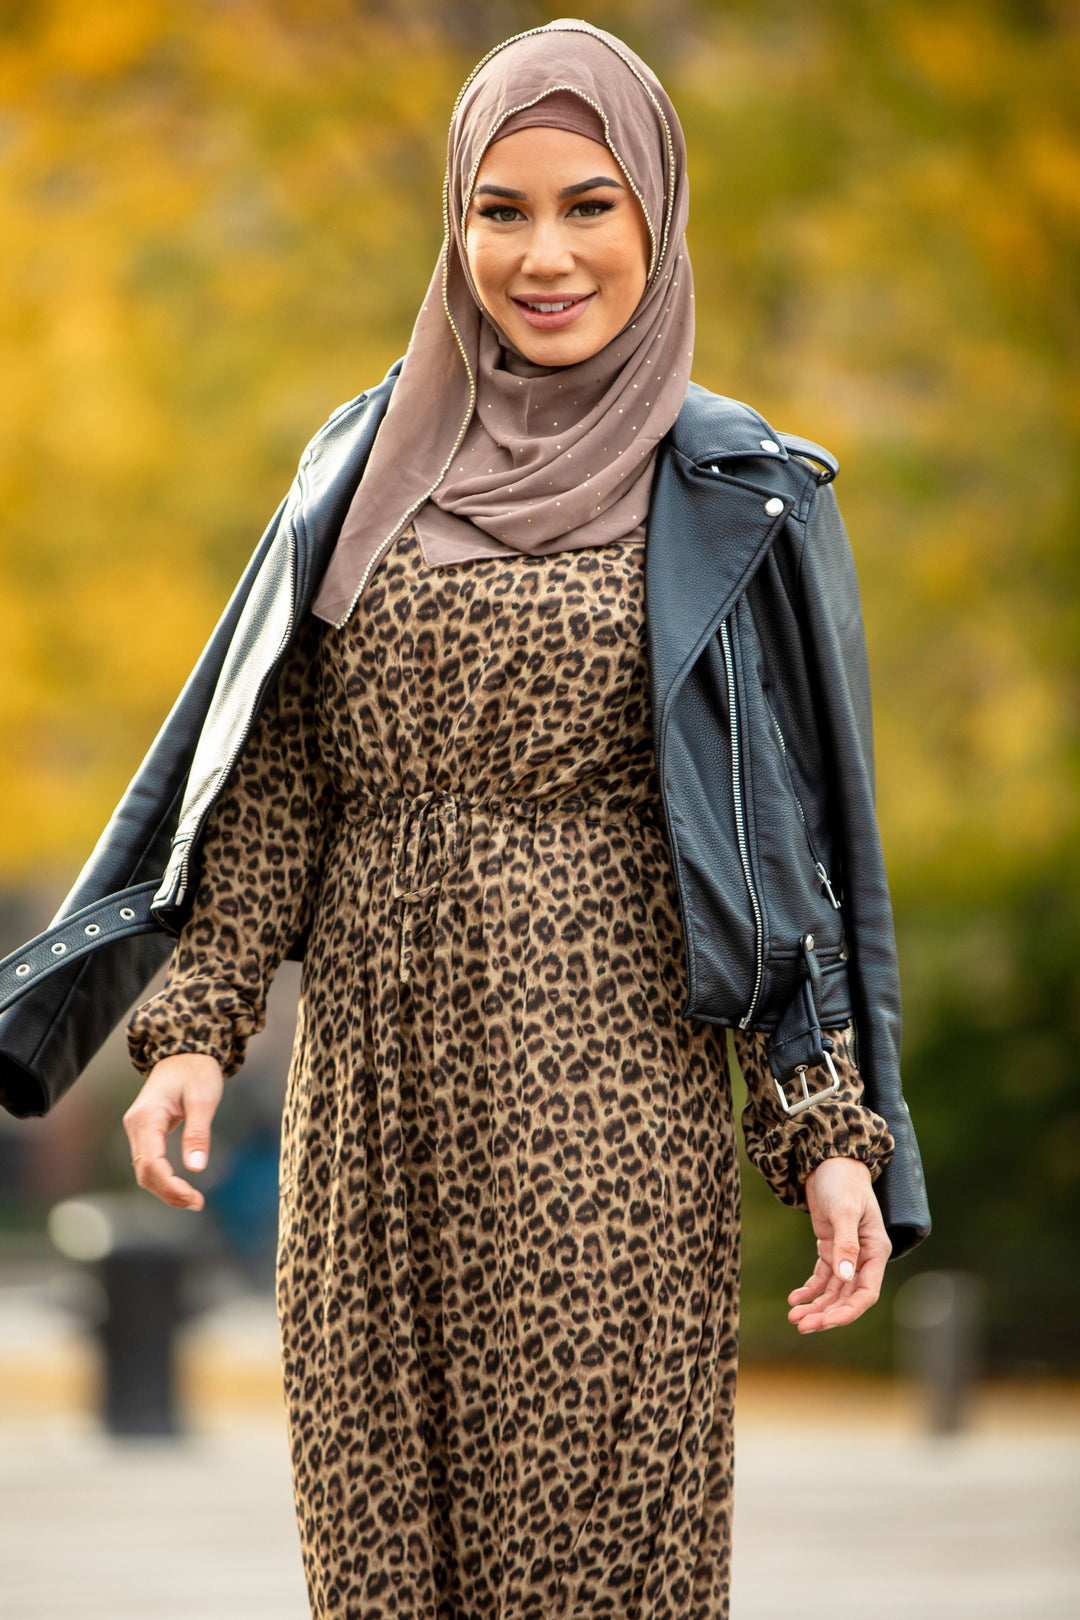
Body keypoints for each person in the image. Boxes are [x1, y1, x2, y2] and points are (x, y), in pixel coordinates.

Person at [120, 20, 908, 1619]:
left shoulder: (738, 491)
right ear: (455, 223)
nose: (541, 256)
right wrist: (194, 1026)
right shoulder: (362, 462)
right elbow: (282, 778)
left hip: (603, 1115)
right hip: (365, 1124)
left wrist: (825, 1134)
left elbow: (783, 851)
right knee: (376, 1578)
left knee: (584, 1575)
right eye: (501, 209)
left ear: (659, 216)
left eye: (588, 206)